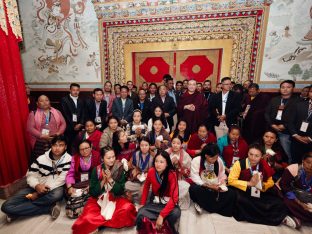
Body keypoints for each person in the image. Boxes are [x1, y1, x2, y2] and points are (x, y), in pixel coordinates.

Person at [1, 136, 71, 221]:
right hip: (34, 189)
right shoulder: (41, 158)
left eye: (61, 145)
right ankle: (48, 208)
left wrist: (38, 194)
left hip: (53, 189)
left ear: (65, 147)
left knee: (57, 194)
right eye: (55, 145)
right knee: (6, 206)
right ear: (51, 146)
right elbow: (30, 174)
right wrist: (36, 185)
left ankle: (17, 211)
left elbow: (61, 180)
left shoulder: (68, 159)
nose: (57, 148)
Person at [228, 144, 298, 228]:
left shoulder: (264, 164)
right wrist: (249, 183)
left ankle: (282, 218)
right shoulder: (239, 164)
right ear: (247, 153)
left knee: (279, 203)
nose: (253, 158)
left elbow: (271, 182)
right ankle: (272, 217)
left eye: (257, 156)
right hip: (244, 190)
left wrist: (262, 185)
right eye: (250, 154)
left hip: (259, 190)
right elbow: (231, 181)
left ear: (262, 156)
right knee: (245, 202)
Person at [72, 146, 137, 234]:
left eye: (113, 157)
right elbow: (93, 193)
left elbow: (120, 190)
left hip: (116, 198)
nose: (112, 160)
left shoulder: (119, 167)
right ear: (102, 158)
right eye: (108, 158)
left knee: (127, 209)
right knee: (87, 217)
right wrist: (103, 181)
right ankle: (102, 222)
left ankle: (100, 224)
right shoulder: (97, 170)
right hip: (99, 199)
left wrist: (110, 179)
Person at [136, 150, 180, 234]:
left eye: (161, 162)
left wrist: (161, 215)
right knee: (140, 213)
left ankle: (161, 222)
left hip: (168, 203)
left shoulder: (172, 174)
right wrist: (142, 204)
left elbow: (174, 198)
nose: (158, 164)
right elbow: (146, 187)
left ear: (167, 164)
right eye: (156, 161)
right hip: (156, 202)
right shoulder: (151, 171)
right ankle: (157, 222)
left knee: (175, 213)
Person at [189, 143, 236, 216]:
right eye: (212, 158)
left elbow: (221, 174)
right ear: (206, 155)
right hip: (203, 186)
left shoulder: (219, 160)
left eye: (216, 157)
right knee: (194, 189)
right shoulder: (197, 160)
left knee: (232, 193)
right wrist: (208, 186)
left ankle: (210, 206)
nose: (214, 160)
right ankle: (210, 205)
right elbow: (195, 177)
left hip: (216, 186)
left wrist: (221, 184)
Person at [265, 80, 299, 163]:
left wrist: (285, 125)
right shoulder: (274, 99)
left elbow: (297, 118)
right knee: (270, 152)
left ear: (293, 89)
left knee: (287, 153)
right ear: (280, 89)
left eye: (288, 87)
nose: (285, 89)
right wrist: (272, 125)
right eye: (283, 87)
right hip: (272, 129)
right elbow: (266, 113)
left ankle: (289, 169)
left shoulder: (297, 101)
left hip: (286, 131)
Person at [65, 140, 101, 218]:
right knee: (71, 195)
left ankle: (86, 205)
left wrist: (91, 185)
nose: (84, 151)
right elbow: (70, 174)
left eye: (86, 148)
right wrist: (70, 187)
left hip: (92, 182)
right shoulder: (75, 157)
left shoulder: (97, 155)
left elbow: (99, 173)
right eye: (81, 149)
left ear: (91, 147)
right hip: (79, 183)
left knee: (95, 193)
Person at [27, 95, 66, 162]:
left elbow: (63, 124)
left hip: (56, 140)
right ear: (37, 103)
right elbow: (30, 128)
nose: (45, 102)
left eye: (46, 100)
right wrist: (42, 136)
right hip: (41, 142)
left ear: (49, 101)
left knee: (58, 160)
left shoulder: (57, 112)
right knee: (42, 161)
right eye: (41, 101)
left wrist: (58, 133)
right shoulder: (33, 113)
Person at [279, 151, 312, 226]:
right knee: (286, 202)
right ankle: (297, 216)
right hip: (291, 195)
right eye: (308, 162)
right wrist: (300, 203)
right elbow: (285, 187)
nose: (310, 166)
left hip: (306, 196)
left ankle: (298, 216)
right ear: (303, 161)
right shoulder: (293, 169)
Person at [287, 86, 312, 163]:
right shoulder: (299, 105)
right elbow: (290, 121)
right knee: (295, 162)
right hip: (296, 139)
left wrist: (310, 138)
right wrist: (295, 135)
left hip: (310, 142)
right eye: (311, 91)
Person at [125, 137, 154, 204]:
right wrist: (137, 174)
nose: (144, 147)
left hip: (148, 181)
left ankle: (137, 198)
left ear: (149, 145)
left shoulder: (153, 156)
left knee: (151, 189)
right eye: (142, 145)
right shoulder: (136, 154)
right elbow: (131, 167)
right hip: (137, 180)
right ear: (139, 145)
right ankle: (142, 195)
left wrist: (149, 174)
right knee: (127, 185)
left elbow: (156, 170)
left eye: (146, 145)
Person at [166, 136, 192, 210]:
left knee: (183, 187)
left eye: (178, 143)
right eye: (173, 143)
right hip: (167, 177)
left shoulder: (185, 155)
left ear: (181, 144)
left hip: (180, 178)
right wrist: (170, 163)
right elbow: (160, 166)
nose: (175, 145)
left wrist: (178, 165)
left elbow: (188, 172)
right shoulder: (166, 152)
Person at [60, 83, 85, 153]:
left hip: (79, 127)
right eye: (73, 90)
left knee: (79, 145)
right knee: (69, 146)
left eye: (77, 90)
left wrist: (80, 123)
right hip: (69, 127)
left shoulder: (81, 100)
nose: (75, 92)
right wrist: (74, 126)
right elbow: (65, 114)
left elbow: (83, 113)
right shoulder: (64, 100)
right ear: (70, 90)